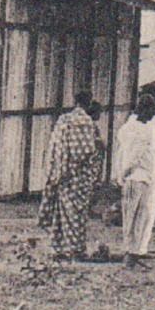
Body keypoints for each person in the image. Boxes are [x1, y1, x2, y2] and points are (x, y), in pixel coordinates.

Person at [38, 90, 104, 260]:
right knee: (77, 212)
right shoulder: (86, 122)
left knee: (62, 211)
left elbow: (54, 147)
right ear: (88, 103)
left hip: (62, 173)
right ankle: (75, 248)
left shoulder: (63, 119)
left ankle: (58, 247)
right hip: (79, 175)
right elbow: (86, 150)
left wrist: (58, 169)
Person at [115, 93, 155, 268]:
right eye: (151, 111)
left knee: (131, 215)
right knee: (138, 216)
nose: (152, 116)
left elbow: (122, 151)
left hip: (135, 177)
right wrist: (125, 171)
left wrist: (121, 174)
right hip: (138, 176)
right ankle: (131, 253)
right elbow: (134, 157)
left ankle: (131, 252)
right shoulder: (142, 130)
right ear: (144, 110)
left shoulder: (127, 127)